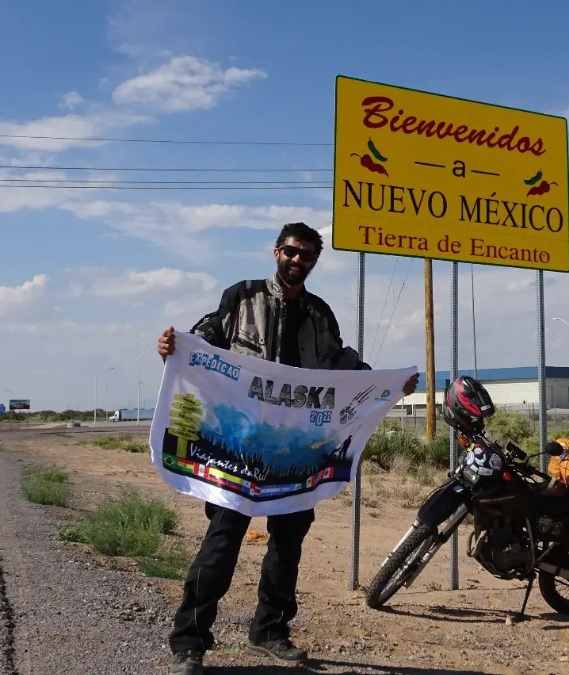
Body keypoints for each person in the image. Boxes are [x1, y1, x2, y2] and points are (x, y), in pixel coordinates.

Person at [157, 222, 419, 675]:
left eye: (308, 256)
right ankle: (189, 642)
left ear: (314, 262)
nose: (298, 261)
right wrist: (172, 347)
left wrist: (388, 384)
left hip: (296, 454)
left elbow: (342, 366)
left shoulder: (319, 315)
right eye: (292, 252)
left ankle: (270, 632)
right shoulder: (241, 298)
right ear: (277, 251)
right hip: (239, 451)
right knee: (221, 543)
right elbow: (204, 343)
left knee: (288, 546)